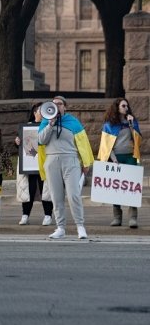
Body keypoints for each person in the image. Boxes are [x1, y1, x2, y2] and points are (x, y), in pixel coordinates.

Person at [38, 95, 94, 240]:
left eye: (60, 104)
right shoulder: (46, 121)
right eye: (54, 103)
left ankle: (80, 226)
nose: (56, 106)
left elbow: (82, 142)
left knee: (74, 194)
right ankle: (60, 227)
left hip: (71, 160)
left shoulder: (73, 122)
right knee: (56, 197)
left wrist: (86, 162)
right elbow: (41, 140)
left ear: (65, 107)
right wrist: (50, 124)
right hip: (52, 160)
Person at [98, 97, 142, 228]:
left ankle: (133, 217)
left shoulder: (132, 122)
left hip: (130, 157)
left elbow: (138, 140)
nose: (126, 108)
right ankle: (117, 216)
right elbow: (105, 145)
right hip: (116, 157)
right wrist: (113, 158)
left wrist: (131, 125)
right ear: (117, 107)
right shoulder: (109, 124)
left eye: (127, 106)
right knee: (116, 189)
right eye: (123, 106)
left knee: (131, 188)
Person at [14, 102, 53, 226]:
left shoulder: (49, 126)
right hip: (29, 164)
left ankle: (48, 215)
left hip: (44, 163)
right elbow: (23, 147)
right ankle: (25, 215)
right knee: (28, 190)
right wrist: (17, 142)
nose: (42, 114)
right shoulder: (27, 127)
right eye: (40, 111)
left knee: (45, 190)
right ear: (34, 113)